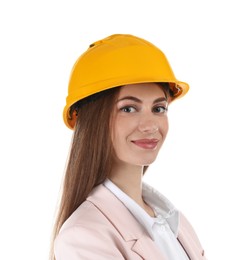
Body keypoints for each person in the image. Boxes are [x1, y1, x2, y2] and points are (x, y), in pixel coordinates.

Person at [51, 34, 206, 260]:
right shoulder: (83, 236)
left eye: (159, 108)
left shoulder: (175, 224)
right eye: (128, 109)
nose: (150, 126)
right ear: (94, 119)